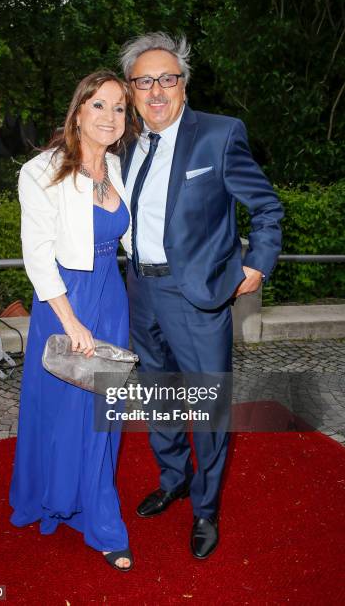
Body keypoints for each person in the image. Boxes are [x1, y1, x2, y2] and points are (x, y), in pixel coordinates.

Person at [119, 33, 284, 559]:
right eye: (145, 81)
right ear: (131, 90)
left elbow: (267, 207)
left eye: (168, 78)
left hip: (197, 296)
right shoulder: (121, 141)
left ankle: (206, 509)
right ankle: (175, 479)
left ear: (184, 85)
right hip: (139, 290)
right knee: (159, 397)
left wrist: (257, 262)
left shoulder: (220, 134)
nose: (157, 91)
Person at [9, 70, 140, 572]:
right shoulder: (41, 171)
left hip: (111, 299)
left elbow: (133, 238)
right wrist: (70, 321)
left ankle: (99, 517)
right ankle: (56, 498)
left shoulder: (119, 169)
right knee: (62, 409)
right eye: (100, 105)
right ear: (79, 111)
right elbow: (37, 255)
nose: (111, 117)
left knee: (102, 414)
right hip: (64, 301)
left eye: (119, 109)